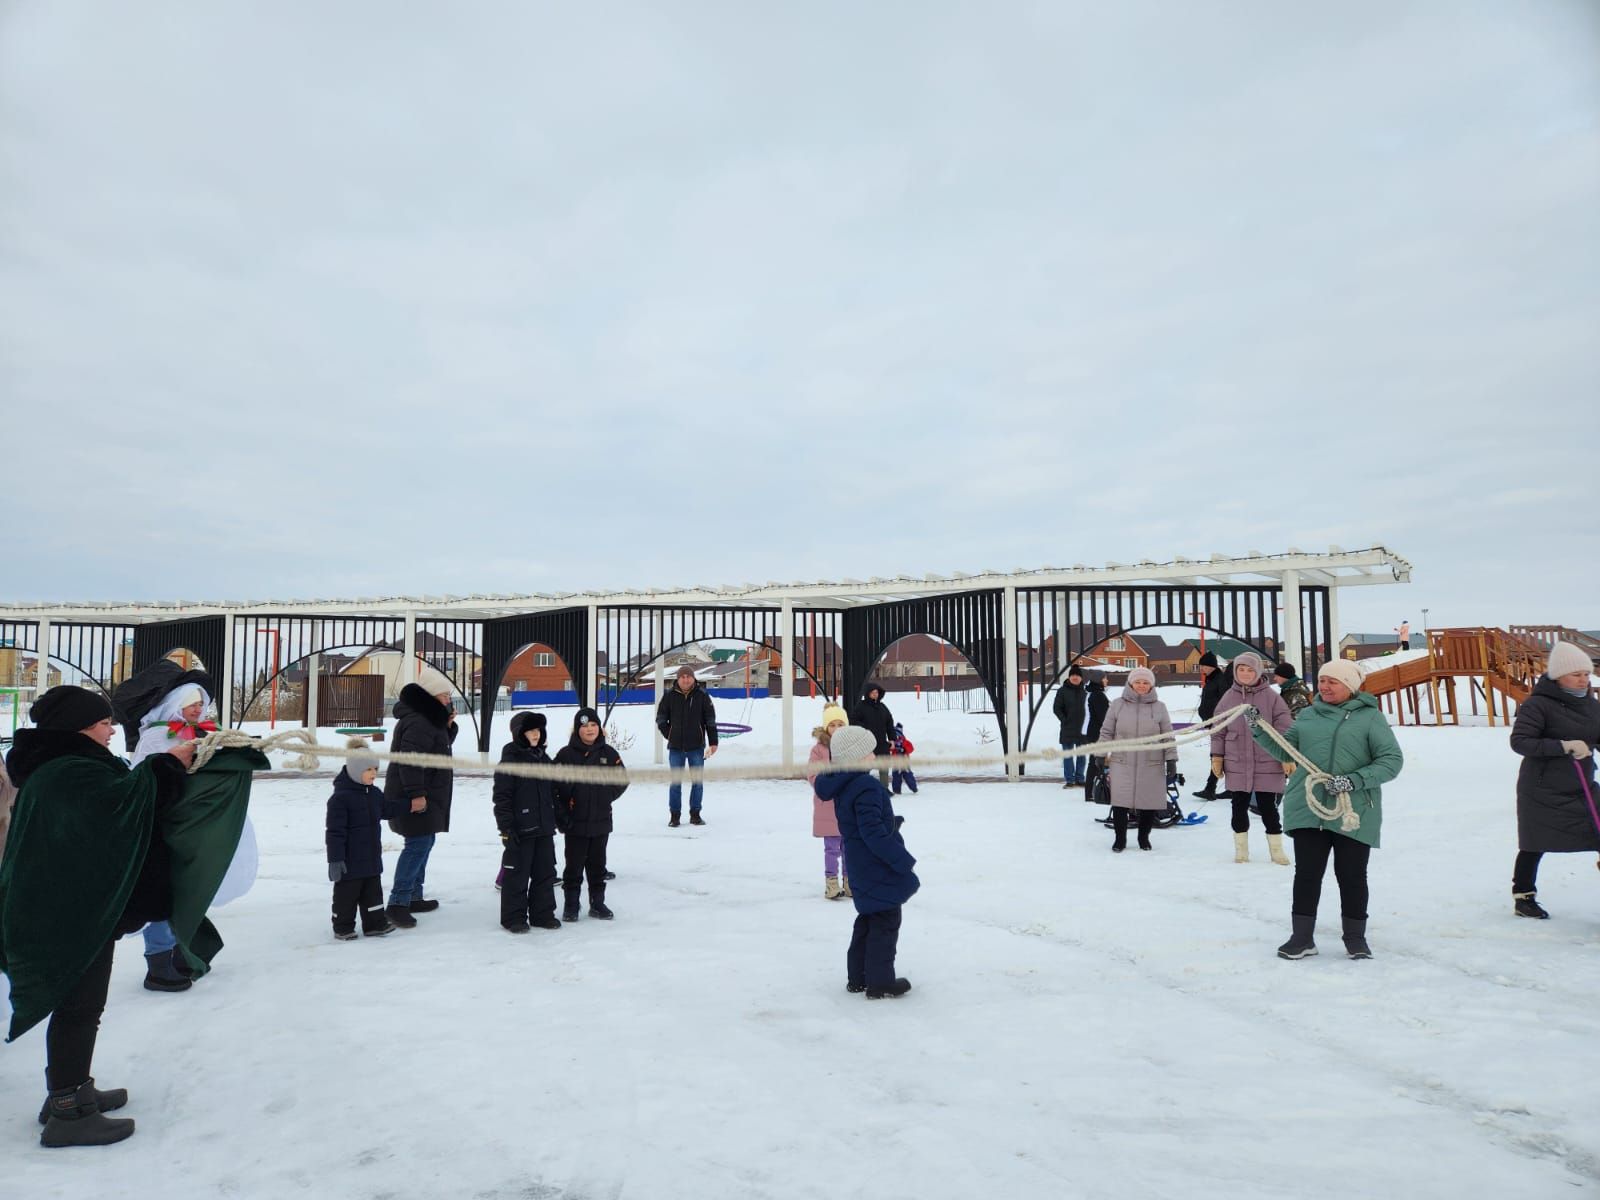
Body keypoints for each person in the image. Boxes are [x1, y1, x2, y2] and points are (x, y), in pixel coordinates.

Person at [0, 686, 193, 1146]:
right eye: (104, 722)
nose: (111, 730)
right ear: (81, 726)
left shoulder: (61, 767)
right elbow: (123, 806)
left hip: (66, 908)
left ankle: (68, 1091)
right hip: (68, 914)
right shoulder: (70, 771)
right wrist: (169, 765)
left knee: (80, 1007)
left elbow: (115, 800)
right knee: (79, 1007)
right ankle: (69, 1111)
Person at [1251, 658, 1404, 960]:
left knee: (1351, 875)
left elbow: (1391, 760)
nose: (1324, 686)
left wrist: (1353, 781)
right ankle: (1302, 937)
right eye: (1322, 680)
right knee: (1307, 874)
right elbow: (1286, 749)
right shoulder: (1308, 715)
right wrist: (1259, 730)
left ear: (1350, 685)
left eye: (1332, 681)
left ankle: (1355, 938)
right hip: (1309, 806)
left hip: (1353, 810)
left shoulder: (1370, 718)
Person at [125, 676, 243, 992]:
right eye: (191, 703)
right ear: (176, 705)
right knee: (160, 892)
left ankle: (181, 952)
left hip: (188, 823)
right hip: (158, 824)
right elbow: (144, 779)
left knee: (184, 889)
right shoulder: (155, 737)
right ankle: (159, 962)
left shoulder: (204, 733)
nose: (197, 708)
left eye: (200, 703)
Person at [814, 725, 918, 999]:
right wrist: (901, 859)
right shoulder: (866, 787)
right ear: (857, 757)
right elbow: (872, 834)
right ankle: (880, 982)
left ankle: (858, 976)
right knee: (885, 920)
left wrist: (890, 822)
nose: (874, 756)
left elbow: (860, 822)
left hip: (859, 861)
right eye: (870, 752)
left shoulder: (846, 783)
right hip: (875, 864)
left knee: (869, 918)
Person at [1508, 640, 1600, 919]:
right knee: (1535, 842)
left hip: (1582, 785)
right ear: (1558, 676)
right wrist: (1563, 746)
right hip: (1543, 788)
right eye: (1576, 674)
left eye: (1586, 673)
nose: (1583, 679)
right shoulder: (1538, 705)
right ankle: (1523, 896)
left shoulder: (1590, 703)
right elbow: (1520, 742)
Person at [382, 666, 457, 929]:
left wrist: (448, 727)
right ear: (432, 696)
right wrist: (417, 794)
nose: (449, 700)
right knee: (417, 846)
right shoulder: (418, 722)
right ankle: (398, 902)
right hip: (415, 795)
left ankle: (414, 895)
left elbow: (435, 749)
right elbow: (410, 762)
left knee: (425, 843)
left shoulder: (428, 720)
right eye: (445, 696)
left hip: (428, 795)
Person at [1211, 652, 1294, 865]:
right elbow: (1218, 729)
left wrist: (1285, 755)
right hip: (1237, 759)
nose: (1245, 674)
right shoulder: (1229, 697)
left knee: (1268, 807)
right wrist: (1217, 756)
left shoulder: (1272, 697)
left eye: (1250, 670)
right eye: (1241, 669)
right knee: (1238, 806)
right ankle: (1241, 850)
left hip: (1267, 758)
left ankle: (1276, 850)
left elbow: (1284, 726)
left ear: (1257, 671)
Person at [493, 711, 565, 933]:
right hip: (520, 829)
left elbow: (554, 792)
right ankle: (514, 918)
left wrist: (560, 818)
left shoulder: (544, 759)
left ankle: (542, 914)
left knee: (545, 873)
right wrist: (506, 827)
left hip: (544, 827)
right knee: (517, 875)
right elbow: (502, 798)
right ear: (519, 734)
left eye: (538, 730)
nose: (535, 735)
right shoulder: (510, 760)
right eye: (530, 731)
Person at [554, 708, 628, 921]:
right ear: (577, 730)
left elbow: (621, 780)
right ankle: (571, 905)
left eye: (593, 725)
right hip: (574, 823)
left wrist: (604, 797)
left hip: (601, 821)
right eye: (585, 726)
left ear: (599, 728)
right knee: (573, 867)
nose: (589, 729)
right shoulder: (565, 755)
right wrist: (562, 812)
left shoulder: (609, 754)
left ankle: (597, 903)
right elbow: (553, 786)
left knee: (597, 866)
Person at [1097, 667, 1178, 852]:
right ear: (1130, 683)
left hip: (1151, 762)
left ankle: (1144, 838)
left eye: (1146, 682)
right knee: (1120, 802)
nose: (1141, 686)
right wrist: (1100, 755)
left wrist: (1171, 759)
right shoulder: (1117, 705)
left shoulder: (1160, 707)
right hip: (1122, 762)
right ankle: (1120, 840)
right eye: (1138, 682)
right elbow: (1106, 732)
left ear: (1151, 685)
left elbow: (1168, 735)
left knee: (1148, 803)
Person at [325, 739, 393, 940]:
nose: (374, 773)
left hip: (371, 858)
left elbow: (387, 810)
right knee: (346, 896)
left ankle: (375, 924)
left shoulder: (374, 794)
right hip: (349, 862)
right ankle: (343, 927)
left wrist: (409, 805)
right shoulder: (340, 799)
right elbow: (334, 832)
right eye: (369, 769)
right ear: (355, 770)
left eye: (376, 768)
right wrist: (335, 859)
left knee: (373, 894)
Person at [655, 665, 718, 827]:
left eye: (688, 676)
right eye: (682, 676)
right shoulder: (669, 696)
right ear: (678, 678)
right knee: (675, 783)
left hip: (696, 747)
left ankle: (695, 814)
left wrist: (713, 742)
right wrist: (669, 734)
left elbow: (710, 720)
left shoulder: (702, 695)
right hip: (676, 747)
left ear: (693, 678)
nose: (685, 679)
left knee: (697, 782)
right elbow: (661, 718)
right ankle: (674, 816)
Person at [808, 704, 851, 900]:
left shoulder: (853, 748)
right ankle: (831, 883)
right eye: (832, 725)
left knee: (850, 846)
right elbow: (813, 775)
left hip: (849, 806)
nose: (836, 728)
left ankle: (850, 882)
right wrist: (828, 782)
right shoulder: (819, 750)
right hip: (828, 806)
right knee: (832, 847)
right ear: (826, 728)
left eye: (840, 724)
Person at [1192, 652, 1233, 799]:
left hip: (1220, 723)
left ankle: (1212, 788)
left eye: (1203, 665)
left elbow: (1225, 700)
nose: (1201, 668)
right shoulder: (1211, 679)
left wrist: (1218, 718)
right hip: (1213, 722)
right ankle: (1224, 788)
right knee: (1219, 755)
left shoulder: (1219, 680)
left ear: (1210, 666)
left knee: (1218, 755)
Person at [850, 683, 896, 787]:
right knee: (865, 768)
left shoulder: (882, 707)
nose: (875, 695)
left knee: (884, 767)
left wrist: (892, 739)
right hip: (867, 744)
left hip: (882, 743)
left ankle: (884, 789)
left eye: (877, 692)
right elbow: (853, 721)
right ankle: (863, 789)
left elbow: (889, 722)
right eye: (873, 693)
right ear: (867, 694)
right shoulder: (861, 706)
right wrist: (866, 728)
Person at [1053, 666, 1090, 788]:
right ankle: (1070, 780)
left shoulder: (1086, 691)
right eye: (1073, 675)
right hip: (1067, 728)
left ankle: (1080, 778)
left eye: (1077, 675)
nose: (1075, 677)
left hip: (1082, 729)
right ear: (1069, 677)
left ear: (1081, 678)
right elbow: (1057, 708)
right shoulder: (1062, 691)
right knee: (1068, 755)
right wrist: (1065, 720)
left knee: (1082, 755)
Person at [1082, 674, 1110, 799]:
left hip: (1094, 732)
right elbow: (1103, 717)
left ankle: (1095, 791)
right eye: (1104, 678)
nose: (1107, 680)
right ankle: (1091, 793)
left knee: (1096, 763)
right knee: (1095, 763)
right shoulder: (1098, 695)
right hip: (1097, 733)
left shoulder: (1095, 693)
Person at [888, 723, 919, 795]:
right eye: (895, 736)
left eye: (898, 735)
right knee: (896, 777)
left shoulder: (906, 742)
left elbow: (911, 748)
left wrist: (904, 749)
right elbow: (890, 749)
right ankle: (896, 790)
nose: (897, 737)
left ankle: (914, 788)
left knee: (908, 775)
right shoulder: (892, 743)